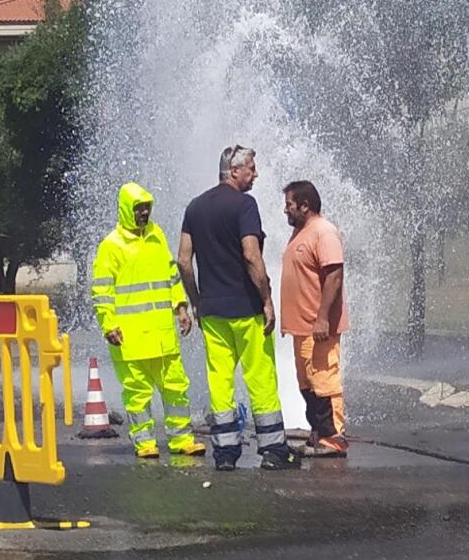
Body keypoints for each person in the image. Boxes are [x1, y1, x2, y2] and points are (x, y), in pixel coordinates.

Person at [177, 146, 302, 472]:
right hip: (246, 309)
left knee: (220, 381)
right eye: (251, 168)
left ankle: (225, 453)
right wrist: (266, 298)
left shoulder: (195, 207)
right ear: (234, 171)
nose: (256, 174)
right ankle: (273, 450)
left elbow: (183, 261)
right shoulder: (245, 205)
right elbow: (251, 254)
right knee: (260, 377)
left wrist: (196, 301)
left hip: (213, 313)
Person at [90, 182, 205, 460]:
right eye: (138, 208)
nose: (143, 212)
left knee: (176, 387)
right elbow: (102, 290)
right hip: (130, 338)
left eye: (146, 207)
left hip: (163, 334)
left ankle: (181, 439)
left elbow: (171, 275)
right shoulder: (111, 246)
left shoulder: (156, 235)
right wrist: (108, 324)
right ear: (125, 209)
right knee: (137, 393)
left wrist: (180, 307)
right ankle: (144, 442)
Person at [281, 180, 348, 456]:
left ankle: (333, 437)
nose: (285, 210)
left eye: (289, 204)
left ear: (305, 205)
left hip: (318, 326)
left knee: (323, 380)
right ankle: (318, 433)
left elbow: (334, 276)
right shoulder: (301, 232)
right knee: (307, 382)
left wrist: (322, 319)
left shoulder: (323, 232)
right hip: (301, 327)